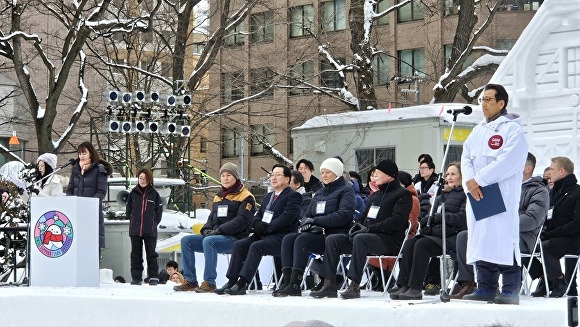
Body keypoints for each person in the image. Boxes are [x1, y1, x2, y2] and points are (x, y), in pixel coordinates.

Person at [460, 83, 528, 305]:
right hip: (478, 193)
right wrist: (470, 183)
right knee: (482, 239)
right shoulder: (478, 130)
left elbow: (508, 161)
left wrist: (478, 180)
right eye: (482, 100)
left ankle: (510, 289)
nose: (484, 104)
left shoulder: (512, 129)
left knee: (503, 238)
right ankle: (486, 287)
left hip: (501, 193)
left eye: (489, 99)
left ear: (502, 103)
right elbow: (466, 157)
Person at [452, 152, 549, 299]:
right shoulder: (505, 185)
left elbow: (532, 219)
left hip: (523, 235)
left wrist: (504, 222)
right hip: (498, 228)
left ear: (527, 168)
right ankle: (475, 284)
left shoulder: (538, 189)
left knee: (501, 236)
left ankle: (509, 289)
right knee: (469, 236)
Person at [311, 159, 412, 299]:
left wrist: (368, 229)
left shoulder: (402, 194)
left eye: (378, 173)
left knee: (360, 238)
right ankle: (329, 284)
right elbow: (363, 216)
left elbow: (396, 222)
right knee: (334, 239)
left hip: (389, 240)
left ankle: (354, 285)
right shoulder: (375, 195)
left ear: (389, 175)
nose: (374, 176)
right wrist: (356, 227)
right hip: (367, 236)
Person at [215, 164, 302, 295]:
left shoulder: (293, 196)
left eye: (278, 175)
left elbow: (286, 218)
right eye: (272, 175)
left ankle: (243, 283)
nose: (273, 178)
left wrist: (266, 228)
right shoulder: (269, 196)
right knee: (239, 244)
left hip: (282, 238)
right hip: (264, 234)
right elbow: (258, 215)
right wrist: (257, 225)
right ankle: (232, 280)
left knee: (256, 246)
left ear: (287, 179)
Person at [275, 157, 356, 297]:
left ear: (336, 173)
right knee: (288, 238)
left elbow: (343, 215)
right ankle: (287, 281)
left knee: (302, 240)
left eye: (327, 172)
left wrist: (316, 221)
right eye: (322, 172)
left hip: (337, 234)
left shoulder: (346, 191)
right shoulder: (319, 193)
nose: (323, 175)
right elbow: (308, 214)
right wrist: (306, 222)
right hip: (319, 234)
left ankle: (296, 283)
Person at [174, 162, 256, 293]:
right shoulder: (219, 197)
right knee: (187, 241)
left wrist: (219, 231)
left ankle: (209, 282)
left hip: (235, 239)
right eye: (222, 175)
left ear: (236, 177)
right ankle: (190, 280)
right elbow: (211, 218)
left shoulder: (246, 197)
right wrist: (206, 229)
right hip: (216, 236)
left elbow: (241, 221)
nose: (225, 178)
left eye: (229, 175)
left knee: (209, 241)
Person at [390, 163, 467, 300]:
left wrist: (440, 217)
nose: (449, 177)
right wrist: (427, 220)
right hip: (435, 234)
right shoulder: (441, 195)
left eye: (453, 174)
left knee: (422, 245)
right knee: (410, 243)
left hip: (451, 236)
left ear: (462, 176)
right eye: (447, 174)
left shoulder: (465, 194)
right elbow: (429, 214)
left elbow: (462, 218)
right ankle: (403, 284)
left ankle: (416, 287)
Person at [529, 157, 580, 298]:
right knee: (526, 246)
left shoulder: (577, 192)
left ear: (562, 171)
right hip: (553, 236)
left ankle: (558, 280)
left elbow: (576, 224)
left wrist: (551, 233)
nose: (549, 172)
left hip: (572, 239)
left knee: (546, 246)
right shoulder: (552, 192)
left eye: (552, 169)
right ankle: (545, 278)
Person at [366, 171, 420, 290]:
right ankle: (380, 276)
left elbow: (410, 222)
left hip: (403, 234)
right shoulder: (385, 196)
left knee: (375, 241)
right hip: (386, 230)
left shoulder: (411, 199)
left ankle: (387, 277)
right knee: (366, 240)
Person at [66, 141, 113, 249]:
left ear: (90, 153)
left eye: (84, 153)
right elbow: (70, 190)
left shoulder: (99, 169)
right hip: (76, 213)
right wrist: (71, 203)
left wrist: (89, 205)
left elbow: (101, 192)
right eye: (80, 154)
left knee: (91, 246)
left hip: (92, 213)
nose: (81, 156)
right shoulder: (75, 170)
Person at [126, 168, 163, 286]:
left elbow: (159, 212)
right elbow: (128, 210)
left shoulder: (154, 194)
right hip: (135, 230)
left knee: (151, 254)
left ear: (149, 180)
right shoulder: (133, 193)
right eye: (140, 178)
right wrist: (132, 220)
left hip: (150, 230)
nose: (142, 180)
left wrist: (152, 223)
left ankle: (153, 276)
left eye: (145, 179)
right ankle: (136, 278)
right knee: (135, 254)